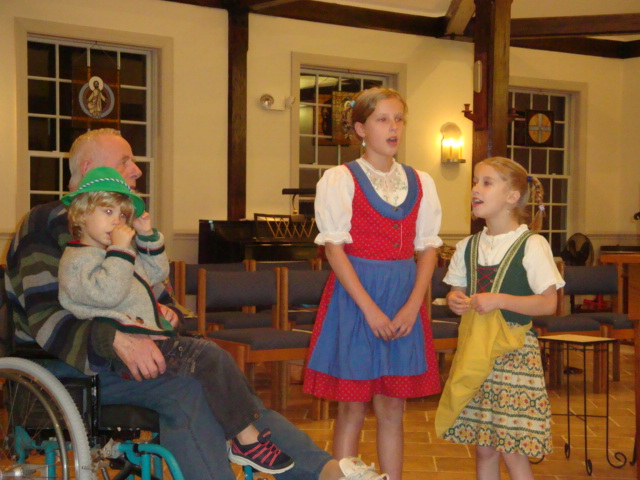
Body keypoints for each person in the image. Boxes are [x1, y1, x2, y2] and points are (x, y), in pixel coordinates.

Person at [5, 128, 389, 480]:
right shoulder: (46, 224)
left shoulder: (117, 229)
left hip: (133, 354)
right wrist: (115, 339)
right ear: (88, 168)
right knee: (189, 389)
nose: (137, 170)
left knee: (219, 379)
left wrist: (172, 322)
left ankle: (325, 472)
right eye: (125, 161)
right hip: (72, 368)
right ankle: (310, 469)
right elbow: (45, 319)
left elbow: (155, 293)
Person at [57, 166, 294, 474]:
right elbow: (107, 295)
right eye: (107, 211)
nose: (117, 221)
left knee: (214, 358)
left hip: (152, 339)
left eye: (122, 214)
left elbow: (155, 275)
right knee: (209, 356)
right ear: (80, 214)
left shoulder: (115, 254)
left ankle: (240, 432)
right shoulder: (77, 260)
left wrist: (146, 237)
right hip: (121, 356)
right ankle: (245, 439)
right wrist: (119, 251)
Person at [303, 87, 443, 479]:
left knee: (393, 406)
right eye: (382, 119)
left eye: (398, 118)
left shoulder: (421, 181)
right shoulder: (340, 179)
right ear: (361, 128)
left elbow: (428, 250)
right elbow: (334, 251)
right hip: (356, 298)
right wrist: (371, 310)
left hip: (403, 295)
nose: (393, 127)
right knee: (351, 406)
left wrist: (413, 305)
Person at [435, 157, 564, 480]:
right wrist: (456, 301)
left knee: (512, 448)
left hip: (513, 356)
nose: (475, 189)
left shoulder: (532, 244)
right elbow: (455, 293)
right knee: (484, 446)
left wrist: (499, 300)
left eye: (487, 182)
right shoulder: (467, 246)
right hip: (477, 354)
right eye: (475, 181)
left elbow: (549, 303)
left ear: (512, 196)